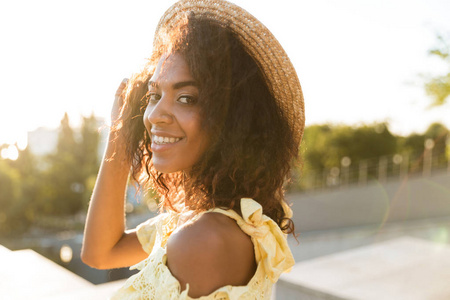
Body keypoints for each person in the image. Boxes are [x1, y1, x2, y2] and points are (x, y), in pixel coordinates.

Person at [81, 0, 305, 299]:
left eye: (186, 98)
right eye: (154, 95)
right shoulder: (209, 219)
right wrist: (120, 132)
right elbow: (101, 253)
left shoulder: (204, 238)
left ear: (231, 120)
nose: (155, 114)